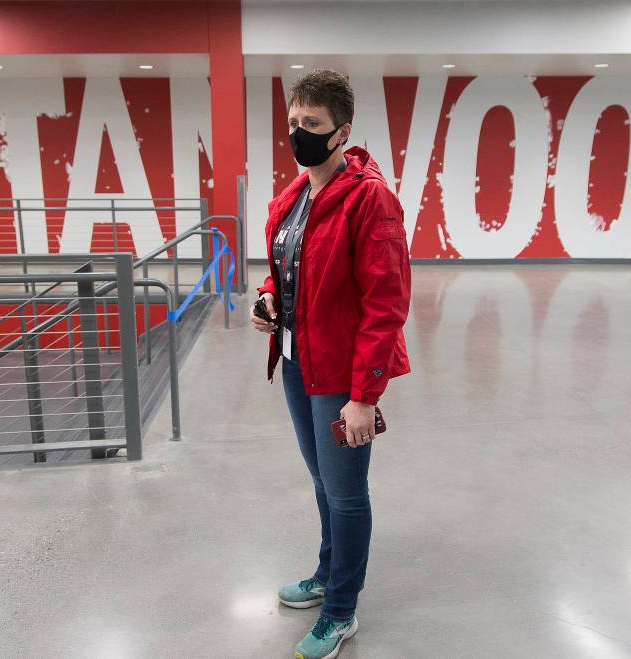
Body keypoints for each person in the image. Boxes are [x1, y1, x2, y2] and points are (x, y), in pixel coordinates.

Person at [249, 69, 412, 659]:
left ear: (341, 132)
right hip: (297, 363)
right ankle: (326, 574)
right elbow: (283, 267)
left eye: (311, 125)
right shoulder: (293, 197)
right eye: (293, 123)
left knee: (345, 493)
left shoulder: (371, 200)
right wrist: (269, 299)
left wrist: (365, 394)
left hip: (342, 376)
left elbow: (386, 304)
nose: (298, 135)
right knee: (321, 480)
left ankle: (341, 610)